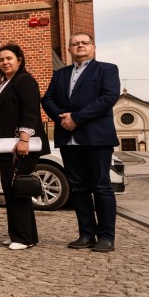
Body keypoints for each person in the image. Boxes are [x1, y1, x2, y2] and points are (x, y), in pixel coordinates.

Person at [42, 33, 120, 252]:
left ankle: (106, 236)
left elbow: (108, 98)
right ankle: (86, 233)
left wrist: (77, 118)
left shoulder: (107, 69)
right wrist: (62, 117)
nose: (80, 46)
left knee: (101, 187)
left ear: (93, 47)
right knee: (79, 188)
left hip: (95, 138)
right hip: (69, 139)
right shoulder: (61, 74)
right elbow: (47, 99)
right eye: (75, 44)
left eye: (85, 43)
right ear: (69, 49)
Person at [0, 43, 50, 250]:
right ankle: (20, 233)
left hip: (19, 146)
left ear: (19, 60)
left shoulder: (25, 80)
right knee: (11, 190)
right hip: (6, 147)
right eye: (1, 59)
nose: (5, 62)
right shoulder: (4, 83)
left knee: (19, 190)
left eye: (9, 58)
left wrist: (24, 138)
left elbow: (30, 111)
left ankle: (23, 238)